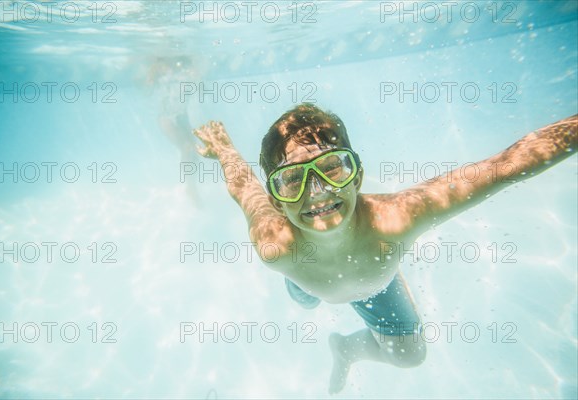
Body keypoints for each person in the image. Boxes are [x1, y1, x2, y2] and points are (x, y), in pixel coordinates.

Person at [192, 104, 577, 393]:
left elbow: (505, 166)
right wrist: (225, 150)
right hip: (305, 279)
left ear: (357, 173)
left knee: (411, 356)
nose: (318, 191)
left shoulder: (396, 220)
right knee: (304, 299)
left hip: (375, 285)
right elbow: (244, 189)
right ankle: (309, 297)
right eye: (292, 179)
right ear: (277, 200)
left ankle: (346, 348)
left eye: (332, 167)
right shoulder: (274, 244)